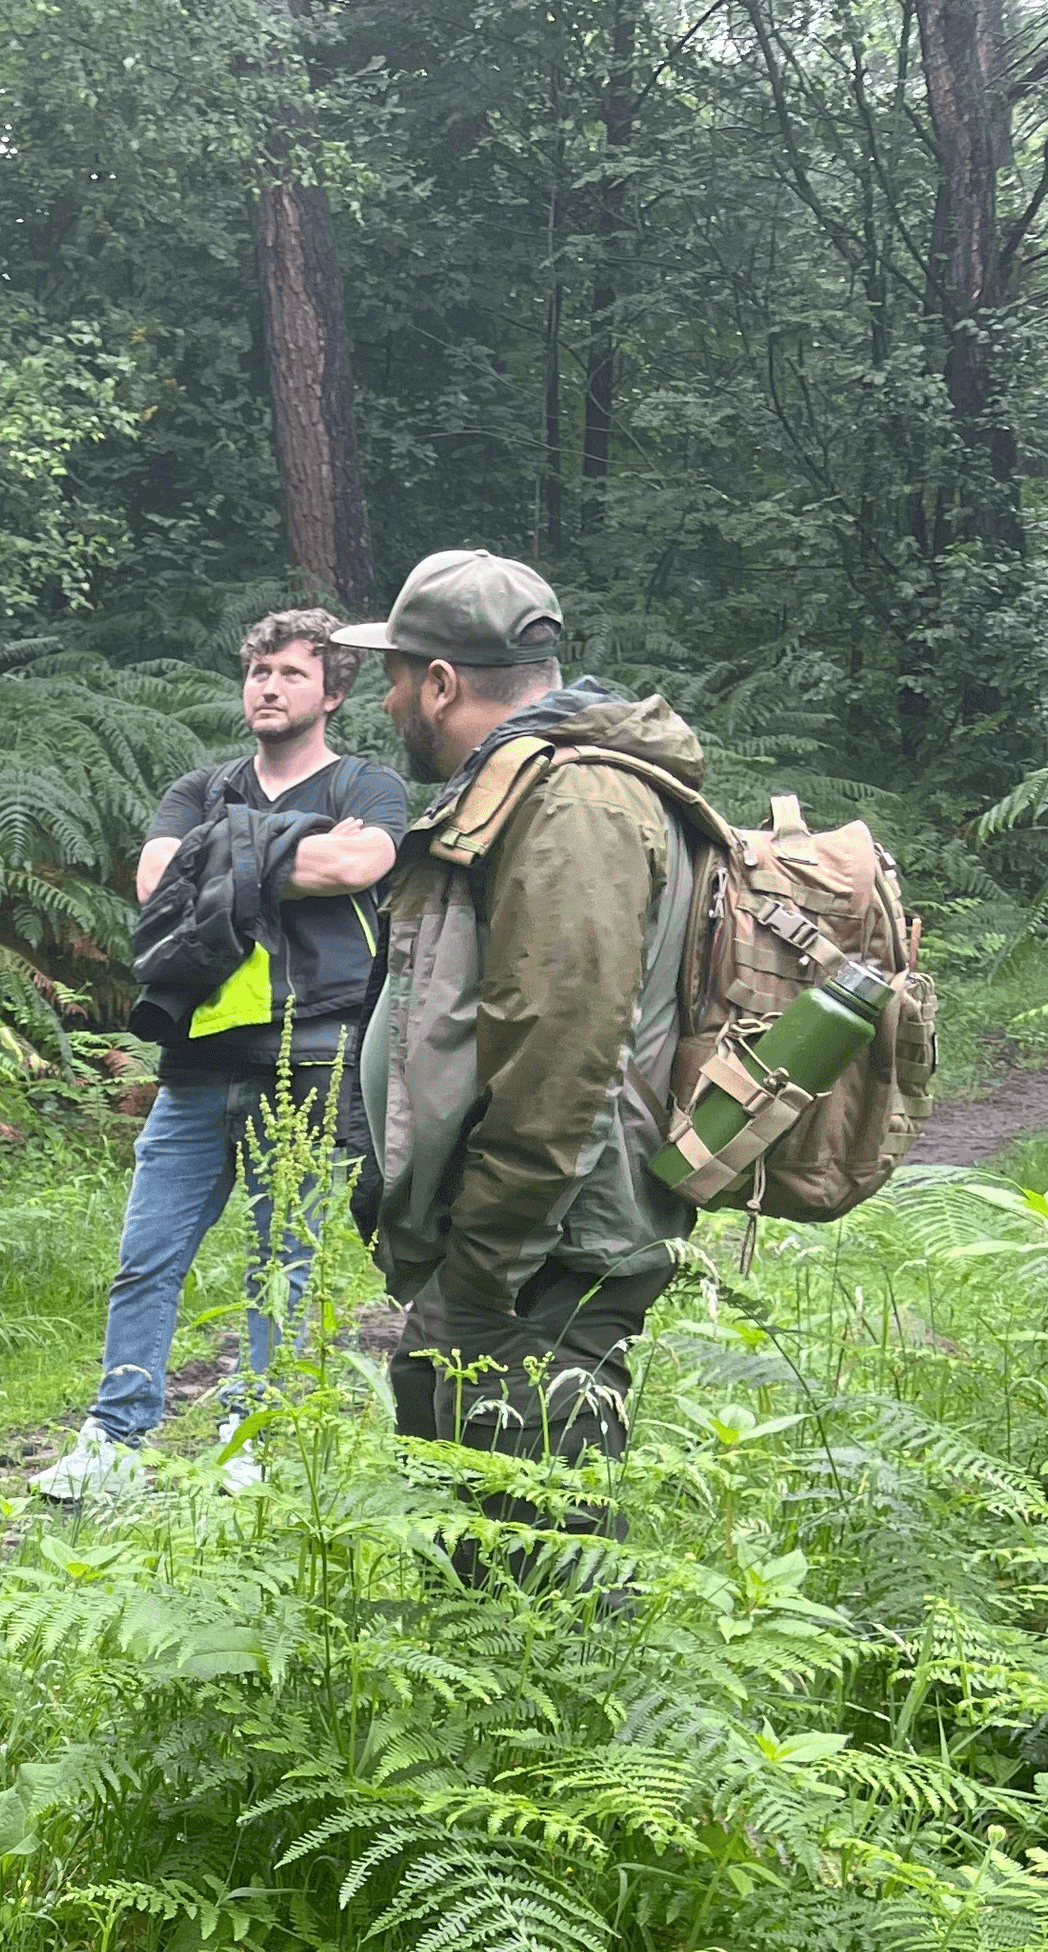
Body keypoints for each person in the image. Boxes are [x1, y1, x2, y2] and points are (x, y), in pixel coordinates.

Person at [340, 548, 705, 1469]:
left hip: (547, 1247)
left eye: (390, 681)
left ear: (439, 683)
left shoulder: (577, 803)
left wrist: (486, 1264)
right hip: (519, 1238)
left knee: (541, 1552)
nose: (384, 706)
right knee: (473, 1505)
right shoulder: (530, 787)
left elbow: (561, 1055)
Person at [34, 607, 407, 1502]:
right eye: (257, 672)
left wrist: (228, 857)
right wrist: (277, 850)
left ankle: (259, 1438)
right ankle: (113, 1442)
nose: (268, 688)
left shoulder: (368, 785)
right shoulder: (201, 787)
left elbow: (358, 869)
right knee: (147, 1253)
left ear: (333, 689)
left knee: (283, 1261)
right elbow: (158, 879)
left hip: (310, 1052)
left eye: (288, 673)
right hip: (198, 1059)